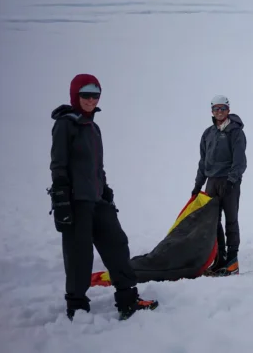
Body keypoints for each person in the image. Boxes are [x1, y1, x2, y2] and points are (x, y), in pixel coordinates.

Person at [49, 74, 158, 321]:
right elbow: (58, 165)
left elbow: (97, 166)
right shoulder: (66, 124)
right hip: (77, 201)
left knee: (117, 244)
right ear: (75, 95)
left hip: (98, 199)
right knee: (80, 253)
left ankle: (128, 299)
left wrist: (106, 190)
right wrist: (62, 200)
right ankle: (76, 305)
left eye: (95, 94)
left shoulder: (93, 127)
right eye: (85, 94)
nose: (90, 99)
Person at [192, 95, 247, 275]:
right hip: (211, 182)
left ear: (228, 110)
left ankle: (232, 262)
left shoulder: (236, 132)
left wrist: (232, 180)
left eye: (223, 108)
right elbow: (203, 161)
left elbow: (240, 160)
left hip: (229, 182)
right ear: (212, 111)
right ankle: (219, 258)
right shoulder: (208, 133)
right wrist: (198, 185)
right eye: (216, 109)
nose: (220, 112)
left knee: (231, 220)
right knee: (213, 221)